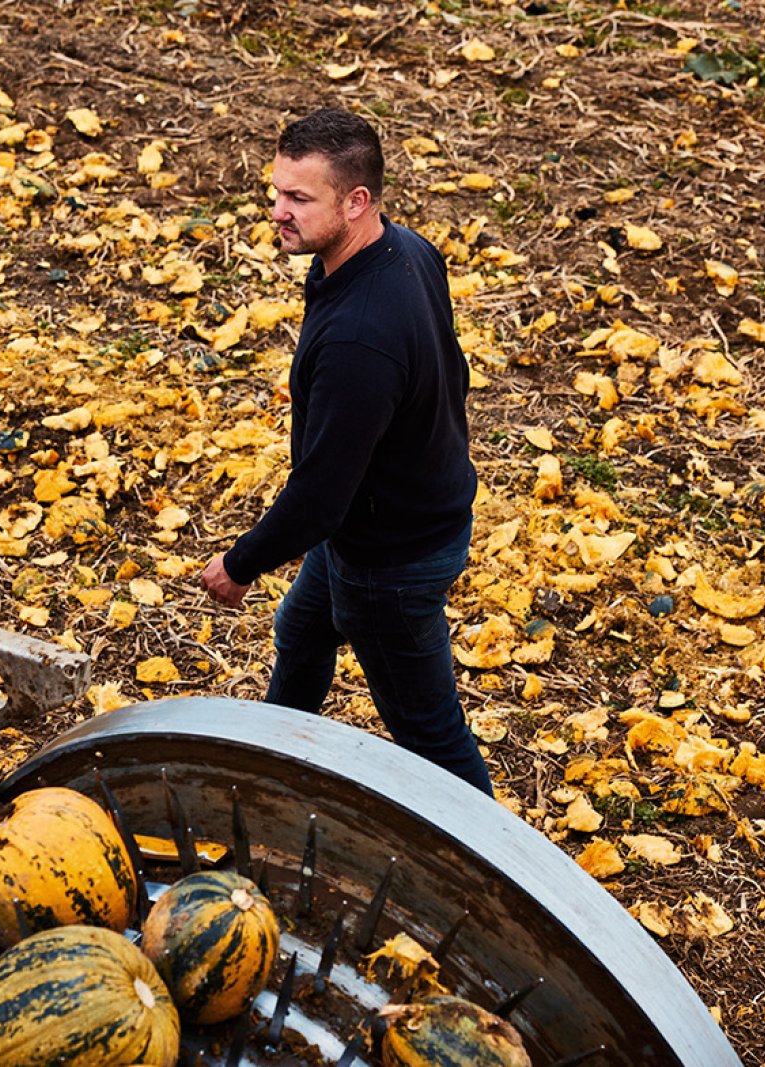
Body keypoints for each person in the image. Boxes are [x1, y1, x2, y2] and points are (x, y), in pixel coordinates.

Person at [199, 107, 493, 796]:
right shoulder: (406, 251)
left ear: (356, 201)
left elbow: (321, 497)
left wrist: (240, 564)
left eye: (299, 199)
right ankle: (268, 772)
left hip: (390, 561)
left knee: (431, 735)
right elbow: (453, 373)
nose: (278, 211)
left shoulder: (362, 338)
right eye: (276, 191)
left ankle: (498, 872)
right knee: (301, 630)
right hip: (384, 522)